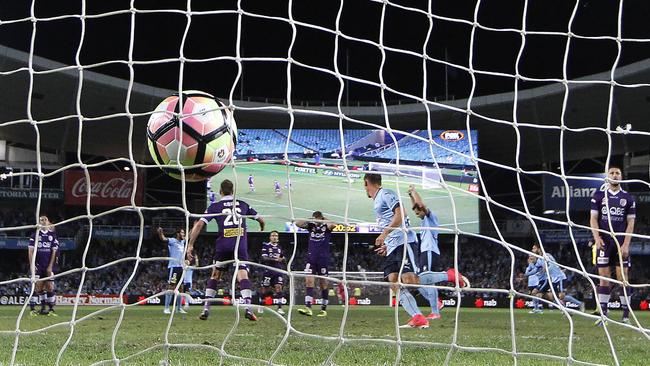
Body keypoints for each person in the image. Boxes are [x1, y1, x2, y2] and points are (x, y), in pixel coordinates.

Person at [363, 174, 467, 329]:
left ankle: (450, 275)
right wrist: (387, 244)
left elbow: (401, 215)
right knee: (393, 282)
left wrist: (384, 234)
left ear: (367, 183)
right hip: (392, 246)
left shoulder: (386, 193)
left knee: (410, 280)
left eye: (364, 185)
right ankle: (418, 317)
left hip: (405, 242)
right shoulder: (377, 200)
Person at [187, 179, 265, 321]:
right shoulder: (243, 204)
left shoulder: (215, 206)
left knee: (215, 276)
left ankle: (206, 309)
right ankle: (247, 308)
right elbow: (261, 219)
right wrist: (261, 228)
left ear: (220, 192)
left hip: (223, 245)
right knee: (243, 277)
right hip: (239, 246)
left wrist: (190, 245)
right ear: (233, 191)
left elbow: (199, 225)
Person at [590, 165, 636, 325]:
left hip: (620, 242)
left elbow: (631, 223)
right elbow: (593, 219)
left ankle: (626, 317)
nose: (615, 175)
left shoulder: (628, 198)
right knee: (603, 278)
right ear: (607, 176)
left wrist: (626, 244)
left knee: (623, 278)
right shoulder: (599, 195)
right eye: (612, 173)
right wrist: (597, 238)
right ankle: (603, 314)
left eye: (617, 173)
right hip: (604, 242)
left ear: (621, 177)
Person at [407, 185, 461, 320]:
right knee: (418, 281)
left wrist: (414, 192)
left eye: (418, 212)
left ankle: (436, 309)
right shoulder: (424, 221)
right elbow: (417, 206)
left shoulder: (431, 218)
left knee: (426, 280)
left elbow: (420, 205)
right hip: (426, 253)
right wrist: (410, 197)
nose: (417, 214)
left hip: (430, 251)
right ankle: (436, 304)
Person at [295, 211, 337, 317]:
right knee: (309, 281)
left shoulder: (326, 227)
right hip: (311, 258)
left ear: (321, 218)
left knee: (323, 283)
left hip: (323, 258)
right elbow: (297, 223)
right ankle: (308, 307)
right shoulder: (311, 225)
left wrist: (324, 219)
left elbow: (334, 225)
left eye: (318, 219)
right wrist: (310, 219)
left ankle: (323, 309)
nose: (316, 221)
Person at [530, 245, 585, 313]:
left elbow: (550, 266)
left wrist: (543, 270)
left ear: (539, 249)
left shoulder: (546, 256)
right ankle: (566, 310)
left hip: (559, 277)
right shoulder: (540, 258)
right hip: (553, 279)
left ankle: (580, 304)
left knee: (561, 296)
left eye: (534, 248)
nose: (532, 250)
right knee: (554, 297)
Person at [27, 215, 59, 316]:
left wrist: (50, 266)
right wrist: (32, 265)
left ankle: (51, 310)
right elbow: (30, 251)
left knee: (50, 287)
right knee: (37, 287)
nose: (43, 221)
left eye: (45, 219)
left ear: (48, 222)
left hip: (48, 266)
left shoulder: (52, 236)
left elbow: (54, 252)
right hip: (38, 265)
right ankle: (33, 310)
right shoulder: (34, 235)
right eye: (41, 220)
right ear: (39, 222)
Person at [157, 227, 187, 314]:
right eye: (182, 233)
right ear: (178, 234)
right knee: (171, 287)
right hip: (173, 267)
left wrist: (195, 226)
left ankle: (179, 308)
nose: (183, 234)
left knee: (181, 289)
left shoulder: (182, 242)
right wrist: (160, 233)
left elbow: (189, 235)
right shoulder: (172, 240)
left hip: (181, 267)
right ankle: (166, 308)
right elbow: (163, 238)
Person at [259, 231, 286, 315]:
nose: (275, 237)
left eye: (276, 236)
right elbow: (263, 258)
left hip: (278, 270)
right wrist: (275, 259)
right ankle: (261, 305)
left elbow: (282, 258)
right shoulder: (266, 246)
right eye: (273, 235)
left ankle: (279, 308)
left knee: (279, 287)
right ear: (270, 237)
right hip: (268, 270)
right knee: (264, 290)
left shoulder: (279, 247)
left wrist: (283, 259)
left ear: (278, 238)